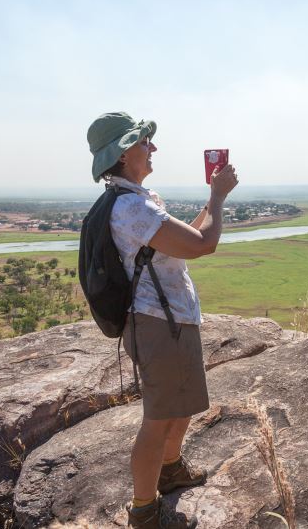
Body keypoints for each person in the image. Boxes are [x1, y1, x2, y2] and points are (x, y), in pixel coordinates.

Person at [87, 112, 238, 528]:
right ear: (122, 154)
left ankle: (170, 471)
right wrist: (219, 198)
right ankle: (143, 509)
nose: (152, 148)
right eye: (144, 143)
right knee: (157, 419)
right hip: (157, 323)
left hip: (169, 318)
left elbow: (181, 242)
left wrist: (211, 200)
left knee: (182, 403)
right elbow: (204, 244)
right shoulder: (130, 207)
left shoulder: (136, 199)